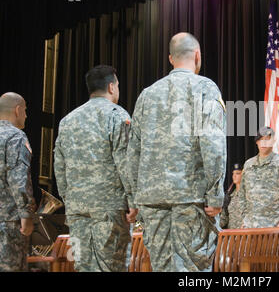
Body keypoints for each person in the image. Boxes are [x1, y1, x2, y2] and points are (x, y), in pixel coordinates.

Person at [127, 32, 227, 272]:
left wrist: (133, 198)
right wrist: (215, 195)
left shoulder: (146, 95)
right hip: (190, 199)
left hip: (152, 200)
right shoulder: (205, 87)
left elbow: (133, 152)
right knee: (193, 272)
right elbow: (213, 144)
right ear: (197, 55)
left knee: (162, 268)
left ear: (171, 58)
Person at [54, 65, 135, 272]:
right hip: (109, 209)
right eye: (117, 85)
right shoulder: (117, 115)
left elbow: (59, 167)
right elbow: (126, 162)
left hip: (77, 210)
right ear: (111, 87)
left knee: (84, 268)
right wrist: (134, 202)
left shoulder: (67, 121)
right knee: (112, 268)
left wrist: (69, 199)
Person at [0, 92, 35, 272]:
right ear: (17, 110)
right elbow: (18, 178)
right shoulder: (16, 137)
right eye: (25, 111)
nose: (26, 115)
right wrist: (26, 214)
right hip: (8, 222)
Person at [240, 127, 279, 231]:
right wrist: (244, 219)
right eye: (261, 139)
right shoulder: (248, 164)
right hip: (250, 225)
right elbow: (242, 193)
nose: (264, 143)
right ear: (257, 142)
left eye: (267, 139)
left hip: (274, 225)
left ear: (274, 141)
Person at [220, 163, 245, 229]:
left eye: (237, 173)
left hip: (246, 235)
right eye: (233, 174)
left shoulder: (249, 195)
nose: (234, 176)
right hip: (232, 236)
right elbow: (224, 218)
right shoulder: (229, 196)